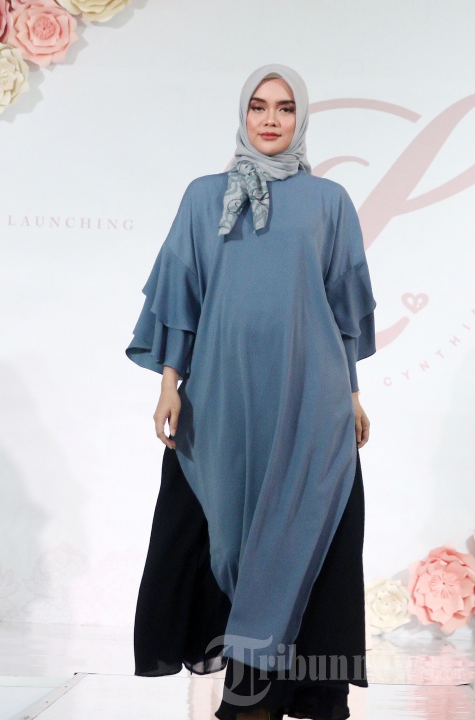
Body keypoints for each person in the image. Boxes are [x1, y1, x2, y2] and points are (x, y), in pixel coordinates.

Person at [126, 64, 376, 720]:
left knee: (305, 532)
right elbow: (181, 295)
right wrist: (170, 384)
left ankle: (286, 695)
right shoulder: (204, 196)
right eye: (259, 106)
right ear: (242, 114)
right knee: (224, 537)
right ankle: (253, 691)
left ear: (301, 117)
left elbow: (343, 312)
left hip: (312, 398)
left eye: (285, 108)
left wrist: (351, 394)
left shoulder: (329, 201)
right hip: (222, 398)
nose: (270, 119)